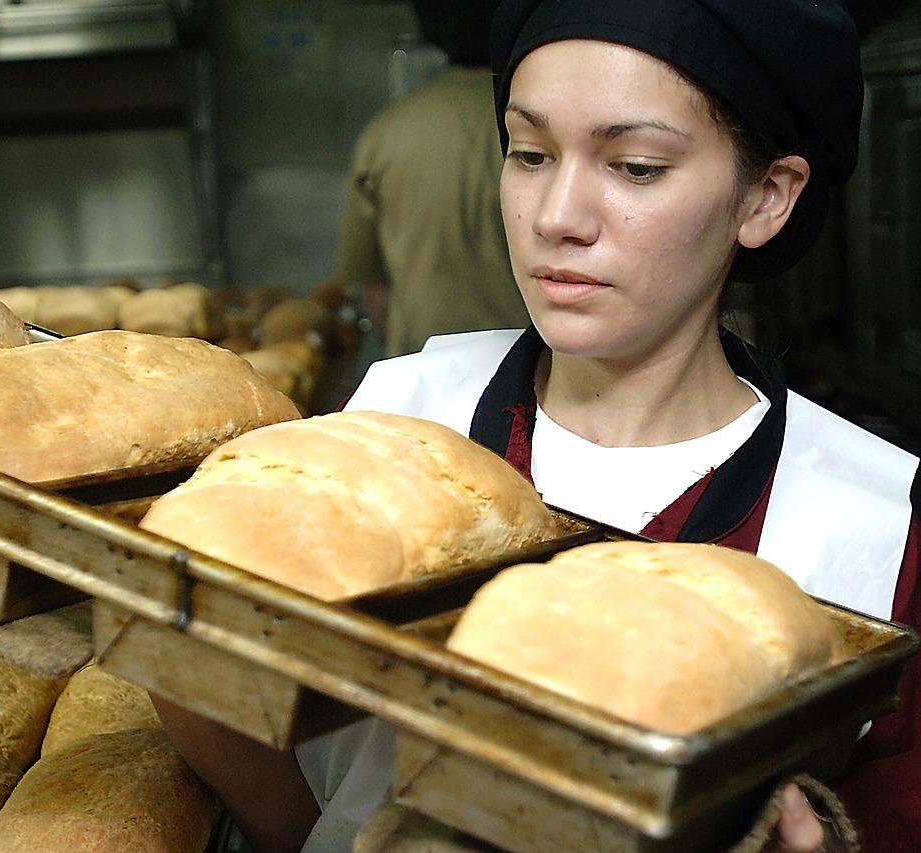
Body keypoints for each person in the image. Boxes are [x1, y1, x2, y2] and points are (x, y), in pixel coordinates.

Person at [153, 1, 921, 851]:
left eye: (634, 166)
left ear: (767, 196)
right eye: (529, 153)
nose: (557, 215)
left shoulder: (869, 535)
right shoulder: (384, 424)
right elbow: (290, 796)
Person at [333, 0, 530, 357]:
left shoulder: (386, 133)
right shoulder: (538, 129)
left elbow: (371, 279)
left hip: (421, 363)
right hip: (529, 370)